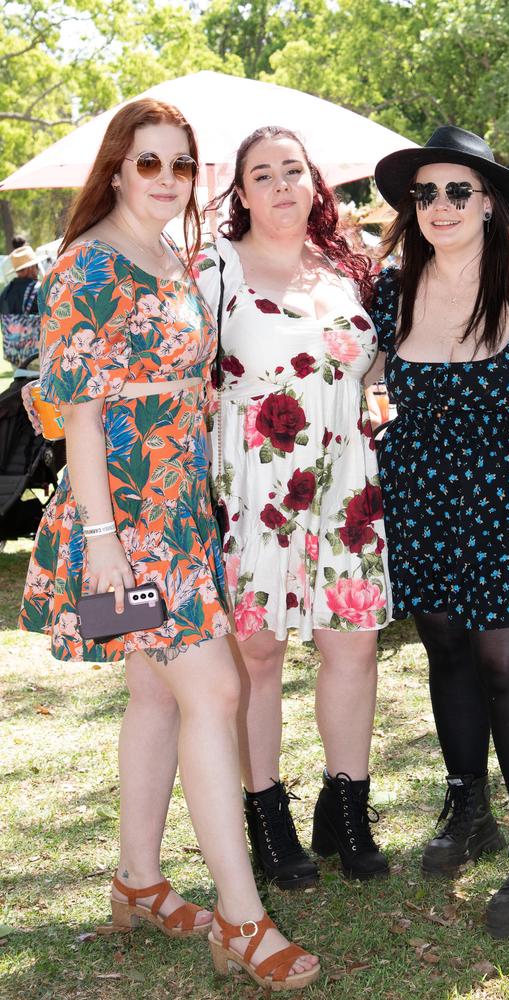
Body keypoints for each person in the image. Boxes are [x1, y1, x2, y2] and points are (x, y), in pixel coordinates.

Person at [19, 99, 319, 991]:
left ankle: (139, 882)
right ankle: (241, 916)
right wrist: (105, 541)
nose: (165, 180)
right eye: (148, 163)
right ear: (117, 169)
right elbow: (78, 409)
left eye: (181, 165)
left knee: (155, 695)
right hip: (127, 519)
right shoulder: (87, 266)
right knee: (217, 688)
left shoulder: (179, 260)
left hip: (181, 508)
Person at [365, 124, 509, 940]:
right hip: (422, 505)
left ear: (491, 202)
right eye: (424, 193)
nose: (440, 205)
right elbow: (343, 374)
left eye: (457, 190)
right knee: (449, 656)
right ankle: (470, 805)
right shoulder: (388, 293)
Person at [196, 126, 391, 888]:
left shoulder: (347, 267)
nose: (281, 185)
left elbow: (370, 362)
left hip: (347, 475)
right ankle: (266, 810)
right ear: (240, 192)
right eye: (263, 174)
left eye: (294, 172)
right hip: (257, 481)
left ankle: (347, 810)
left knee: (354, 644)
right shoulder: (215, 269)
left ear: (317, 186)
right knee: (261, 654)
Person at [0, 244, 40, 315]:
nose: (37, 271)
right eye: (36, 266)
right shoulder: (38, 289)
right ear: (30, 268)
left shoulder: (5, 292)